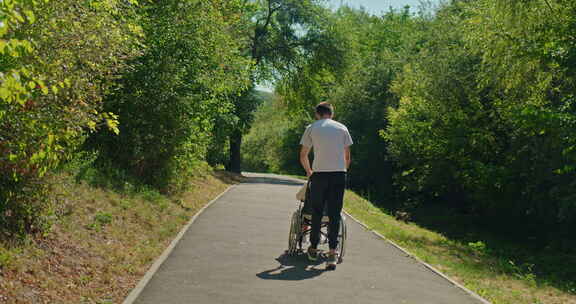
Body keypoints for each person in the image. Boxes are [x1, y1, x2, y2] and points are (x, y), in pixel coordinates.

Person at [299, 102, 352, 270]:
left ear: (317, 114)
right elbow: (347, 157)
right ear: (332, 113)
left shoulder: (312, 128)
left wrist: (309, 172)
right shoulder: (342, 128)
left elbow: (303, 155)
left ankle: (313, 248)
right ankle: (332, 253)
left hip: (319, 174)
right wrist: (342, 171)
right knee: (334, 214)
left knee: (316, 211)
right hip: (338, 174)